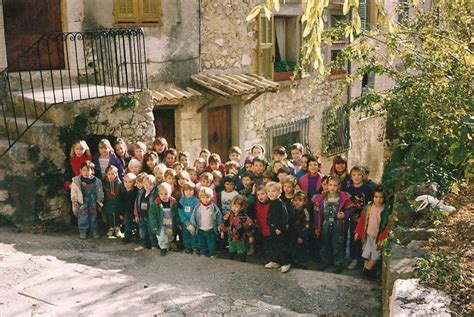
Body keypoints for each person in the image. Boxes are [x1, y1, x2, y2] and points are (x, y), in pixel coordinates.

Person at [312, 177, 356, 273]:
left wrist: (345, 214)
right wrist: (316, 226)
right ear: (327, 185)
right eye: (330, 185)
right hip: (325, 224)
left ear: (339, 186)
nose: (332, 187)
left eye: (335, 185)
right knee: (325, 243)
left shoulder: (343, 197)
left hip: (338, 225)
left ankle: (338, 263)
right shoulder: (321, 198)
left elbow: (352, 208)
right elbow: (316, 212)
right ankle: (325, 262)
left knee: (337, 244)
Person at [355, 185, 392, 279]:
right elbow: (362, 220)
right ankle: (366, 270)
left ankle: (367, 270)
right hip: (368, 235)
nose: (378, 199)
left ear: (385, 198)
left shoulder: (386, 210)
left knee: (375, 255)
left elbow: (387, 226)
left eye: (381, 197)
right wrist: (358, 232)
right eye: (376, 197)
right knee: (367, 253)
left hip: (378, 237)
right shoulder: (369, 207)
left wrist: (382, 238)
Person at [347, 166, 374, 270]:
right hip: (354, 218)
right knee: (354, 239)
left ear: (363, 176)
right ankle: (355, 258)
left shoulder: (368, 188)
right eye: (354, 175)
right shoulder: (349, 189)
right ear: (351, 176)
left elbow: (371, 204)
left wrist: (365, 217)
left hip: (366, 218)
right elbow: (348, 204)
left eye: (359, 175)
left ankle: (365, 260)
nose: (356, 177)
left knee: (366, 239)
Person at [70, 161, 104, 239]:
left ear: (92, 171)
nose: (86, 172)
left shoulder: (97, 181)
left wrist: (100, 201)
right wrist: (74, 200)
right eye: (84, 170)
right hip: (82, 201)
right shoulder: (76, 181)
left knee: (93, 215)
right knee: (83, 216)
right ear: (80, 170)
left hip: (93, 201)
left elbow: (100, 191)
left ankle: (94, 230)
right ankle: (83, 231)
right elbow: (74, 191)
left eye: (88, 170)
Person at [264, 182, 291, 273]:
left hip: (279, 230)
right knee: (273, 245)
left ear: (279, 192)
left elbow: (284, 217)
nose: (271, 193)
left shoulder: (280, 203)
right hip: (272, 228)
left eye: (274, 191)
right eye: (269, 191)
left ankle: (286, 263)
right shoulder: (271, 203)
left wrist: (279, 228)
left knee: (281, 246)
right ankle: (275, 261)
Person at [189, 187, 224, 258]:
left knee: (212, 243)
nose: (205, 199)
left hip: (211, 229)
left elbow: (218, 216)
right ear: (200, 198)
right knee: (202, 243)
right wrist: (192, 225)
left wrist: (220, 225)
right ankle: (204, 253)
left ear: (211, 197)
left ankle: (213, 254)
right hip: (200, 229)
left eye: (207, 197)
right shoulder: (197, 207)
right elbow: (193, 216)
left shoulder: (214, 207)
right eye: (203, 197)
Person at [149, 182, 178, 256]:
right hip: (160, 222)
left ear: (170, 193)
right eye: (161, 194)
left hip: (169, 221)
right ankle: (163, 248)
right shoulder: (156, 203)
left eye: (165, 194)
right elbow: (152, 214)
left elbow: (176, 212)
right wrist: (154, 225)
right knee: (161, 235)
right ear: (158, 193)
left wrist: (178, 222)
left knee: (170, 235)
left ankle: (169, 244)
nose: (163, 196)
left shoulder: (173, 202)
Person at [225, 195, 254, 262]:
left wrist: (250, 236)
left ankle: (242, 261)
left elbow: (249, 227)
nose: (234, 208)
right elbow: (225, 223)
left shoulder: (245, 217)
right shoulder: (230, 214)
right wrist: (222, 230)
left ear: (242, 207)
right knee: (231, 249)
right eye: (232, 206)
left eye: (236, 206)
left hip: (241, 237)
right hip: (231, 236)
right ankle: (230, 261)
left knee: (241, 251)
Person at [133, 174, 158, 251]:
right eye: (146, 184)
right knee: (142, 232)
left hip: (150, 217)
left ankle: (153, 245)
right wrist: (136, 215)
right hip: (141, 216)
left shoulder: (155, 194)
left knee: (152, 232)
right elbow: (137, 204)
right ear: (143, 184)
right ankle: (143, 244)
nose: (148, 186)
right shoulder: (140, 192)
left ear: (154, 185)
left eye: (150, 185)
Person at [178, 182, 200, 253]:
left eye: (190, 190)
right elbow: (180, 211)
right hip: (185, 223)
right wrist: (185, 221)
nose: (188, 192)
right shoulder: (182, 200)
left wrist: (194, 222)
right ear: (183, 191)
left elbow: (197, 213)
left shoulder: (196, 201)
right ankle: (187, 247)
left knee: (194, 235)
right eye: (186, 190)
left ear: (194, 191)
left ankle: (194, 247)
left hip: (194, 223)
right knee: (185, 235)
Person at [291, 191, 311, 269]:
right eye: (295, 200)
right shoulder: (292, 209)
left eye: (300, 201)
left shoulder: (305, 212)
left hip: (302, 233)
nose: (297, 203)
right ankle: (294, 261)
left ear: (304, 202)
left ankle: (303, 263)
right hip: (293, 232)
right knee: (294, 247)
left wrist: (301, 236)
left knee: (302, 249)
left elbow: (306, 225)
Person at [102, 165, 123, 237]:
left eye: (113, 174)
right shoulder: (104, 183)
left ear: (116, 174)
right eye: (109, 174)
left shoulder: (119, 183)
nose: (111, 176)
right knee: (110, 215)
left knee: (117, 215)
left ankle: (117, 228)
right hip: (108, 202)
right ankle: (111, 228)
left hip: (117, 202)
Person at [119, 173, 138, 243]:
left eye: (130, 182)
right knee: (127, 224)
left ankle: (133, 236)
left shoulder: (135, 191)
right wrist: (121, 213)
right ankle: (127, 236)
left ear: (134, 183)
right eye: (125, 181)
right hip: (126, 211)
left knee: (133, 224)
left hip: (134, 210)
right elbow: (121, 203)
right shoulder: (122, 191)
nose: (127, 184)